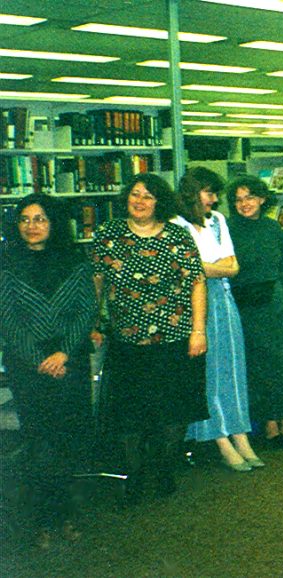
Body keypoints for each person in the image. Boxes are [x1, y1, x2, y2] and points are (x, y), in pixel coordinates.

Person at [92, 173, 208, 502]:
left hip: (174, 340)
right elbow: (96, 281)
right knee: (129, 415)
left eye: (148, 196)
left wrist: (199, 331)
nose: (140, 201)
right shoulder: (108, 234)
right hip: (126, 343)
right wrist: (93, 323)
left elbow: (197, 283)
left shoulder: (177, 235)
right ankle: (135, 473)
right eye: (135, 194)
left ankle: (163, 470)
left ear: (160, 202)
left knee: (172, 411)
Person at [0, 194, 95, 548]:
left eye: (40, 219)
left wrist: (63, 353)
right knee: (38, 440)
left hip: (69, 361)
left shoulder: (75, 260)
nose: (32, 226)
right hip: (28, 365)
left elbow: (86, 309)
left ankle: (68, 514)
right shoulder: (6, 263)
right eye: (25, 219)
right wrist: (40, 359)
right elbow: (7, 319)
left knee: (68, 438)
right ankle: (42, 519)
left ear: (54, 223)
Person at [175, 168, 264, 472]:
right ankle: (220, 439)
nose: (214, 199)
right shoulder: (175, 225)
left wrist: (208, 266)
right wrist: (213, 267)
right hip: (194, 301)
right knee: (210, 371)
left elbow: (233, 266)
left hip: (224, 299)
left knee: (233, 367)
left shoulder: (218, 221)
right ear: (193, 193)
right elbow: (188, 270)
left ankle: (240, 435)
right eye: (209, 193)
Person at [225, 175, 283, 450]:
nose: (244, 204)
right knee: (257, 365)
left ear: (262, 199)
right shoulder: (227, 229)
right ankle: (270, 428)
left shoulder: (273, 228)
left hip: (274, 302)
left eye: (249, 197)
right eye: (238, 199)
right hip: (245, 305)